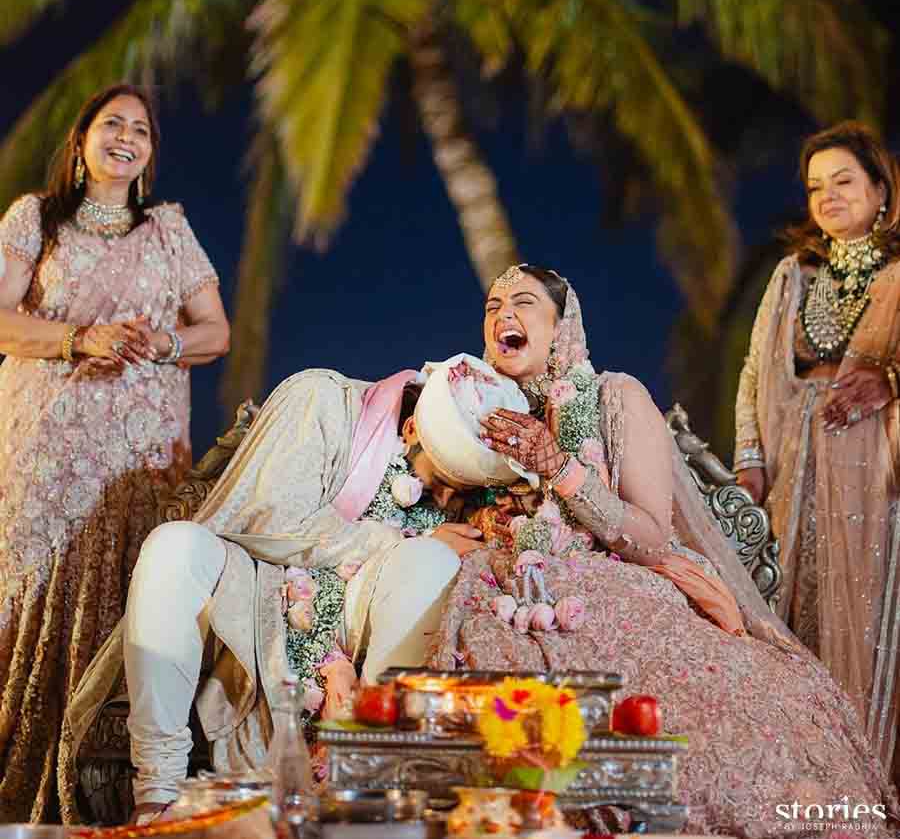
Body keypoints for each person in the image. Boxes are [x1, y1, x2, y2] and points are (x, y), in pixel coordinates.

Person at [429, 264, 898, 838]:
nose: (502, 315)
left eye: (523, 303)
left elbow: (649, 535)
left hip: (625, 582)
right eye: (491, 306)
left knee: (728, 725)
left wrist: (557, 466)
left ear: (561, 329)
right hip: (517, 590)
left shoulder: (612, 397)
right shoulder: (478, 421)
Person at [67, 365, 485, 823]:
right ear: (410, 429)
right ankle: (157, 795)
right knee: (174, 545)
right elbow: (275, 520)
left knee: (434, 561)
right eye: (440, 482)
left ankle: (365, 781)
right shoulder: (323, 401)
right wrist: (399, 539)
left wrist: (426, 549)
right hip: (261, 584)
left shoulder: (457, 494)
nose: (445, 503)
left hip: (362, 613)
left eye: (458, 493)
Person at [0, 85, 230, 823]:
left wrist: (163, 343)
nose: (126, 137)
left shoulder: (169, 229)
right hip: (48, 449)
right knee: (33, 597)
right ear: (82, 140)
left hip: (142, 461)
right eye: (112, 124)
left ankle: (116, 793)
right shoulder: (35, 218)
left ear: (150, 154)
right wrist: (77, 338)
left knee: (136, 604)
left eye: (141, 130)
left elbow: (214, 332)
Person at [732, 121, 900, 778]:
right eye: (815, 187)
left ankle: (864, 784)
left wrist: (886, 386)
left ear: (882, 191)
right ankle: (800, 781)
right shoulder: (791, 274)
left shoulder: (897, 275)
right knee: (791, 623)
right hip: (790, 478)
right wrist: (750, 460)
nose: (828, 197)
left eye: (844, 181)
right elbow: (754, 374)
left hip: (875, 484)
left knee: (863, 625)